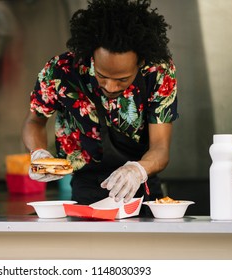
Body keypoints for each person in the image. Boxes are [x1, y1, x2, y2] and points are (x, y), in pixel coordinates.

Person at [22, 0, 178, 212]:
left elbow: (160, 149)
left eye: (122, 79)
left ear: (140, 62)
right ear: (91, 56)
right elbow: (35, 122)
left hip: (141, 188)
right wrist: (38, 152)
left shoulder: (157, 73)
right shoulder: (60, 72)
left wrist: (137, 170)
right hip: (85, 186)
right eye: (102, 75)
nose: (111, 86)